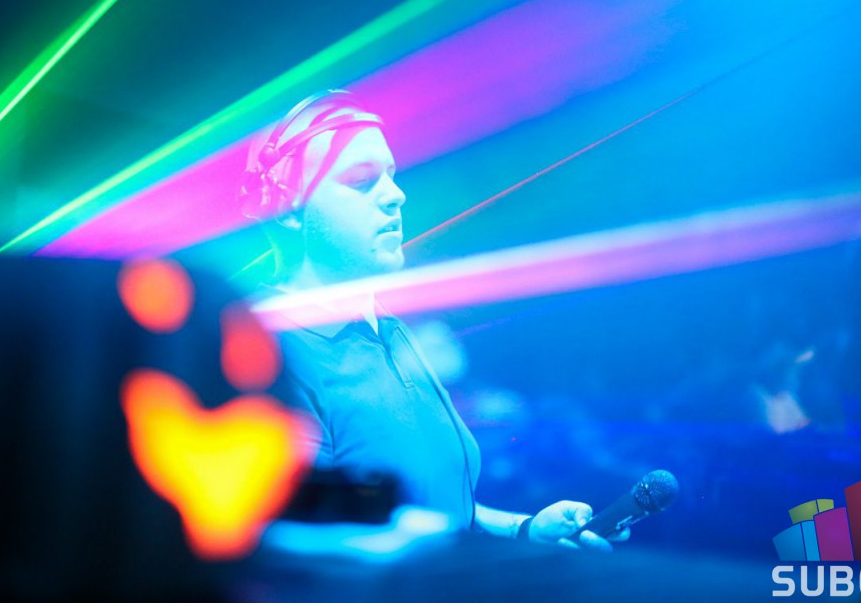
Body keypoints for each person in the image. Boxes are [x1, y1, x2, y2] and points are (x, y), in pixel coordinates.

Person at [240, 90, 623, 549]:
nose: (395, 195)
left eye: (391, 175)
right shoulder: (269, 354)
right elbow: (298, 542)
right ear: (286, 209)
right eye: (361, 181)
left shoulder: (388, 329)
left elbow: (443, 510)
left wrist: (522, 529)